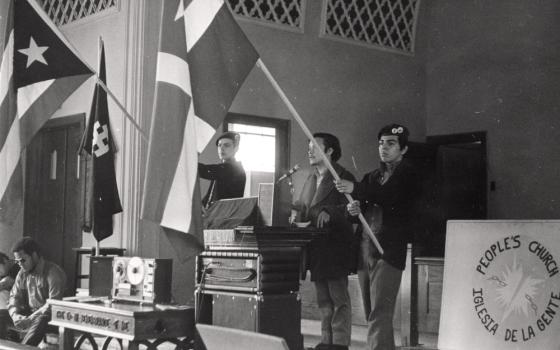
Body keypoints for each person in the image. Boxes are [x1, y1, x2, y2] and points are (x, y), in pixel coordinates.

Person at [335, 124, 420, 350]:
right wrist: (354, 211)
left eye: (391, 144)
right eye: (381, 143)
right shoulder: (371, 177)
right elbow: (361, 206)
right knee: (371, 309)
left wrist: (356, 187)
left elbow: (390, 197)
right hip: (365, 248)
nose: (384, 148)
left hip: (388, 250)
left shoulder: (409, 173)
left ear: (403, 149)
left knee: (380, 311)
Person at [292, 133, 355, 350]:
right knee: (323, 301)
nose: (309, 151)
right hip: (315, 248)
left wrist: (329, 211)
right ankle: (326, 342)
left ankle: (339, 344)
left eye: (315, 147)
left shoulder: (343, 176)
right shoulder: (311, 177)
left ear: (329, 151)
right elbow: (303, 206)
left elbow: (354, 210)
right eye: (308, 146)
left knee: (339, 300)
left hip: (335, 248)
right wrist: (293, 212)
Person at [8, 237, 67, 346]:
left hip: (51, 318)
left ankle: (22, 349)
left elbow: (53, 305)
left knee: (41, 319)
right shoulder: (22, 273)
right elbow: (14, 297)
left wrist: (30, 319)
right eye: (17, 262)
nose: (20, 264)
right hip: (30, 315)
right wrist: (15, 315)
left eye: (22, 260)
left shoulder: (53, 272)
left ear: (34, 255)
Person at [199, 131, 246, 209]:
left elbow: (204, 170)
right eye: (219, 145)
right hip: (216, 214)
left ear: (236, 148)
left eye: (226, 145)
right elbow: (210, 195)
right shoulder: (221, 169)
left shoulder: (234, 168)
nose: (222, 149)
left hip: (225, 217)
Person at [0, 252, 19, 339]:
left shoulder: (17, 267)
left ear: (5, 261)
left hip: (21, 308)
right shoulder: (4, 272)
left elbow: (4, 283)